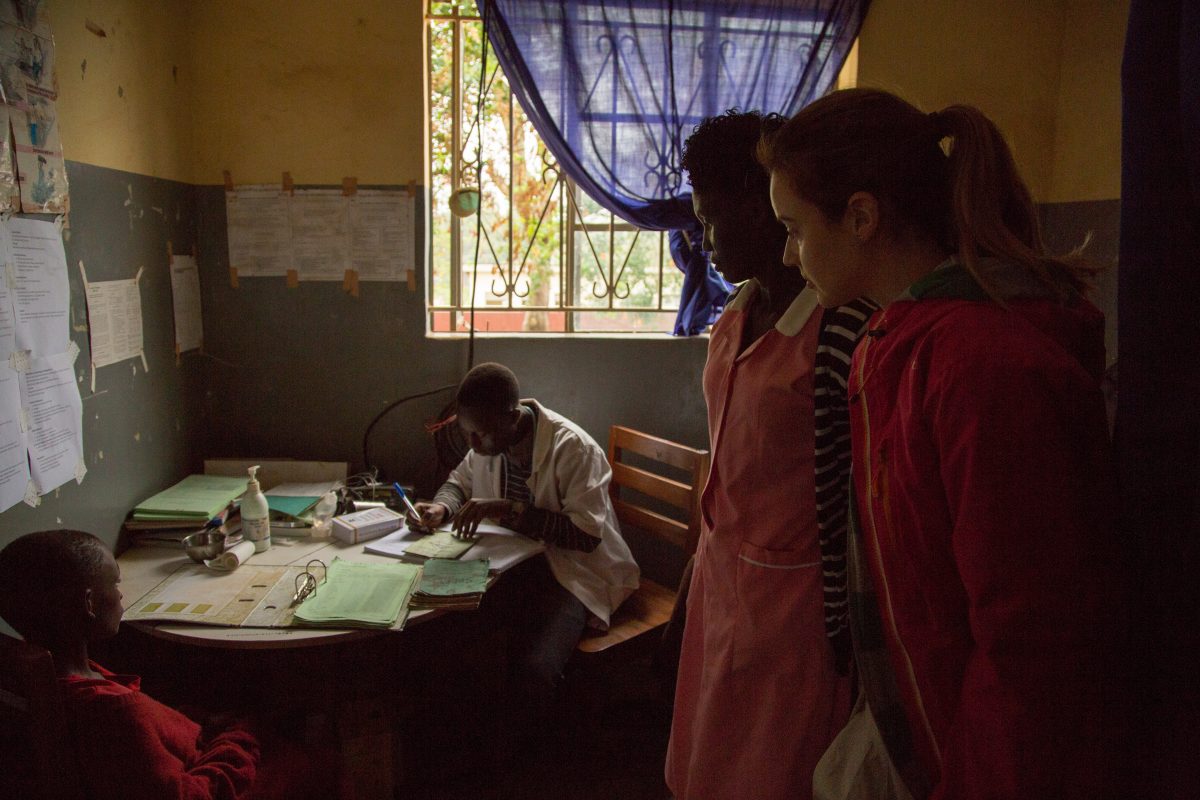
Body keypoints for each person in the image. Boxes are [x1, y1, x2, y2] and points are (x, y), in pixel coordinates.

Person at [759, 88, 1126, 798]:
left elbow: (1030, 645)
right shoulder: (894, 341)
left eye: (794, 227)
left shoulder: (978, 365)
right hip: (934, 738)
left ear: (861, 217)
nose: (786, 251)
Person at [665, 110, 869, 800]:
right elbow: (730, 461)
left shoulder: (837, 326)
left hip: (799, 611)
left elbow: (861, 490)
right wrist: (699, 565)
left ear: (767, 209)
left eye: (714, 220)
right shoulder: (735, 316)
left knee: (773, 771)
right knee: (709, 759)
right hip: (724, 582)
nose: (705, 242)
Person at [0, 529, 340, 800]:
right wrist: (240, 735)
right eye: (115, 583)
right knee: (327, 760)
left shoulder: (57, 681)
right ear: (89, 603)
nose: (120, 595)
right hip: (231, 774)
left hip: (207, 749)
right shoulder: (112, 712)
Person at [412, 362, 639, 728]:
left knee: (536, 670)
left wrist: (510, 510)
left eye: (479, 435)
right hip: (510, 567)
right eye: (467, 433)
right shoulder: (488, 437)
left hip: (571, 573)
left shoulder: (573, 449)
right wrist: (441, 506)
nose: (472, 445)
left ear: (512, 418)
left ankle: (522, 760)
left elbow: (585, 536)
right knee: (442, 637)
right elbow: (460, 481)